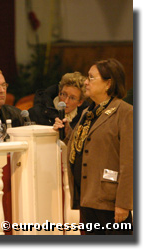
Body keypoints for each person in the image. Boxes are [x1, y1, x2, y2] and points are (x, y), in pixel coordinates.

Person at [53, 59, 133, 235]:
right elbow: (82, 146)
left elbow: (130, 162)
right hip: (87, 196)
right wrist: (67, 132)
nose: (86, 82)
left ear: (108, 83)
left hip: (110, 201)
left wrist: (124, 203)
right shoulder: (88, 112)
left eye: (91, 78)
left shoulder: (125, 112)